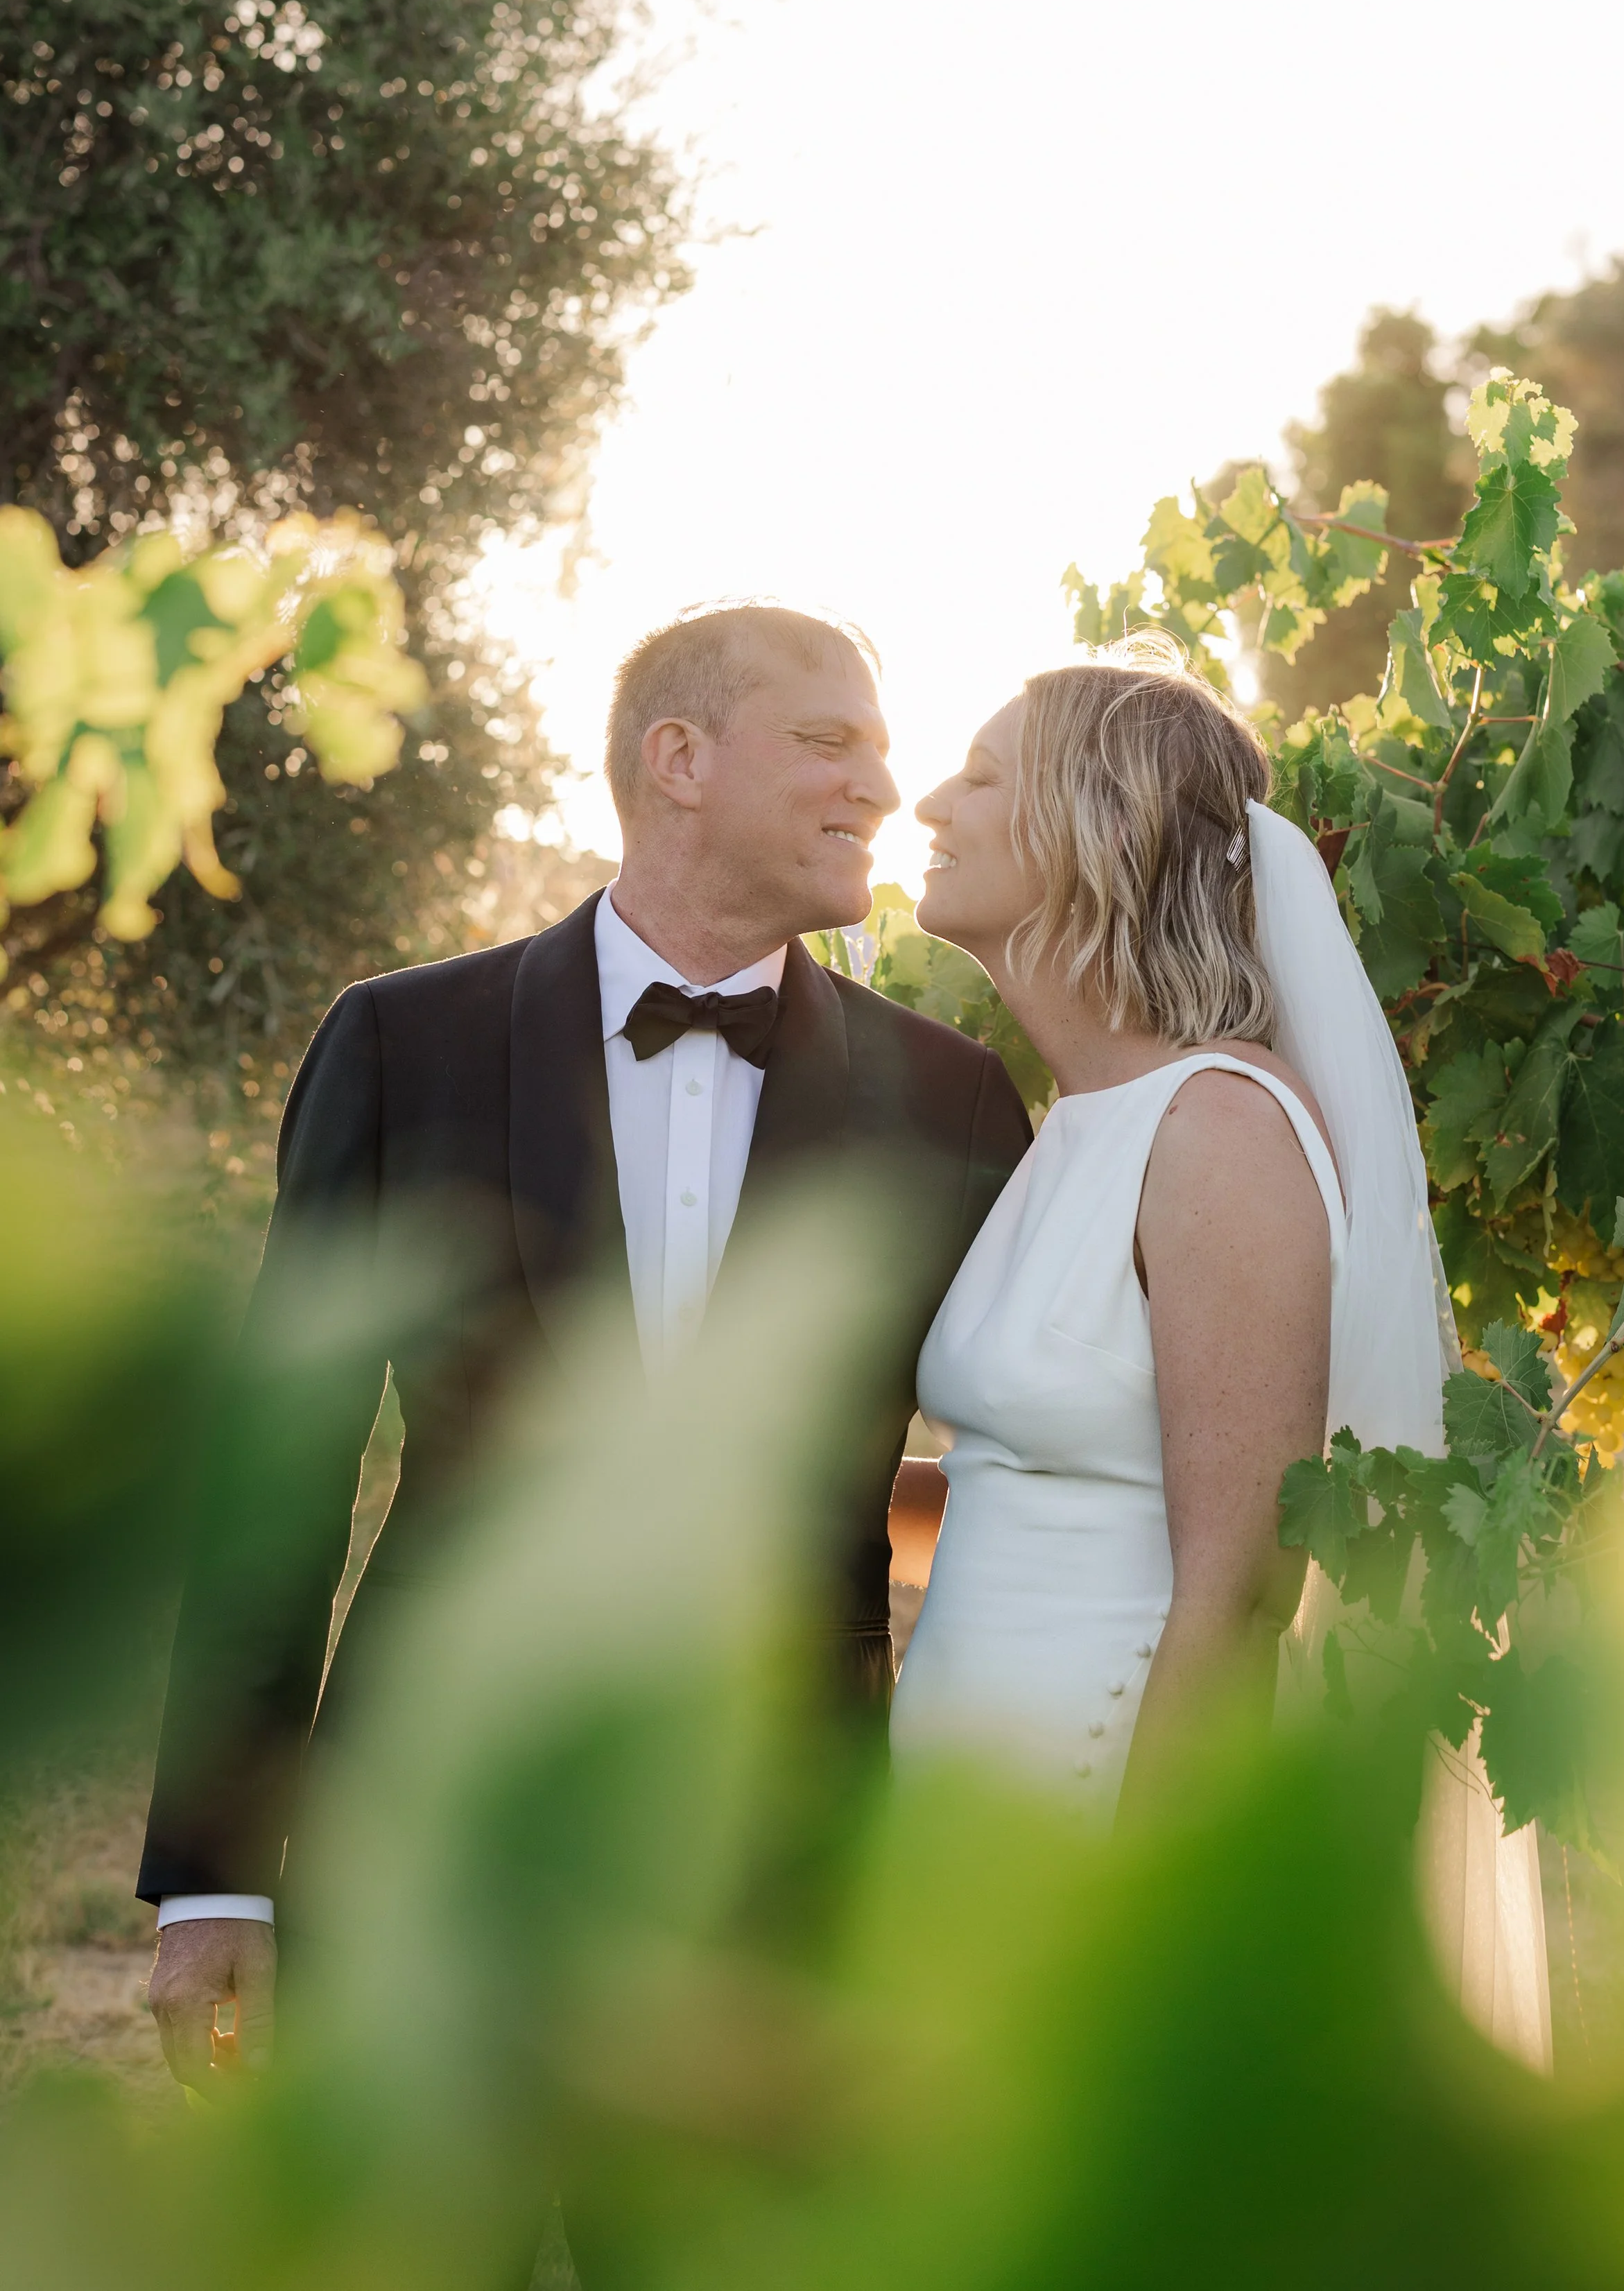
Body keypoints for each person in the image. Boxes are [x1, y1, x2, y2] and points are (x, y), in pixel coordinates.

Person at [140, 600, 1032, 2091]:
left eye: (881, 751)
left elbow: (1022, 1461)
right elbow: (276, 1482)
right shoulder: (400, 1045)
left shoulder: (948, 1101)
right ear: (675, 758)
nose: (877, 790)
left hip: (780, 1860)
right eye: (827, 743)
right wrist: (219, 1874)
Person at [890, 640, 1458, 1822]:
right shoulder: (1074, 1122)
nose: (932, 803)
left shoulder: (1217, 1128)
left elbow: (1240, 1590)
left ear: (1105, 822)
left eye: (984, 775)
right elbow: (1037, 1485)